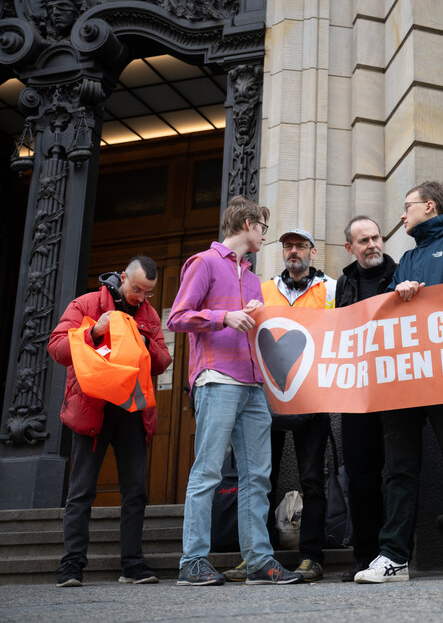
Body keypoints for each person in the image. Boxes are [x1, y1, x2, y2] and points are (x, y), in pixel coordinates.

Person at [354, 181, 443, 583]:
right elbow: (381, 308)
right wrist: (396, 291)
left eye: (408, 206)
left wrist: (426, 295)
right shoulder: (408, 257)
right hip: (404, 376)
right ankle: (394, 555)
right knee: (398, 469)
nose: (403, 215)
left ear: (430, 207)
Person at [168, 195, 302, 585]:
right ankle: (192, 562)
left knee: (258, 477)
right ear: (247, 224)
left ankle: (259, 562)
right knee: (208, 472)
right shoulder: (204, 262)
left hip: (253, 385)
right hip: (217, 379)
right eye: (262, 227)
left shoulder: (252, 277)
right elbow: (176, 317)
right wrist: (223, 316)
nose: (264, 234)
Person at [47, 256, 172, 587]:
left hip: (132, 410)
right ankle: (72, 565)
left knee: (136, 490)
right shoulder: (87, 303)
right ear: (122, 278)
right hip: (93, 408)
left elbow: (162, 361)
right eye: (137, 290)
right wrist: (94, 331)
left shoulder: (148, 315)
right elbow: (57, 347)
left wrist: (145, 344)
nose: (141, 299)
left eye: (148, 293)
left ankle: (132, 565)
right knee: (82, 490)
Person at [223, 228, 334, 583]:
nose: (294, 251)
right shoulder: (262, 287)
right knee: (260, 480)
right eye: (288, 246)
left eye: (301, 246)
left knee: (313, 480)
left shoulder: (331, 288)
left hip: (313, 395)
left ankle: (312, 557)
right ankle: (257, 554)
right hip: (265, 397)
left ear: (313, 253)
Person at [336, 216, 399, 581]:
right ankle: (365, 558)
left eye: (376, 237)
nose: (373, 244)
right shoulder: (345, 283)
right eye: (364, 241)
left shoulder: (401, 274)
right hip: (356, 394)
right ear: (350, 248)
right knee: (360, 477)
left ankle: (395, 554)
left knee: (398, 475)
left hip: (395, 391)